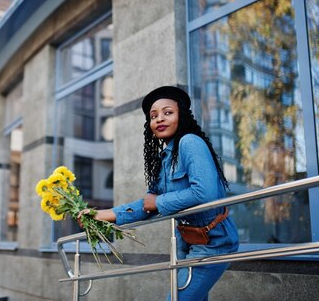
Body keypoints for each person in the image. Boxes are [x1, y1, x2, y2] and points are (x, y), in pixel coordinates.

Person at [80, 85, 239, 301]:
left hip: (214, 242)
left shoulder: (190, 142)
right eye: (153, 116)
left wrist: (159, 202)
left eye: (168, 112)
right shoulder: (164, 158)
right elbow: (147, 204)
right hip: (189, 241)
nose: (159, 119)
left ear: (181, 115)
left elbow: (205, 194)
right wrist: (102, 214)